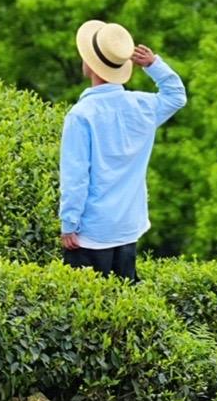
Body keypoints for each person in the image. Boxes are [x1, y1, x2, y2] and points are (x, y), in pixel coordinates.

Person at [59, 18, 186, 281]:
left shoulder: (81, 115)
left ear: (90, 65)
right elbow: (176, 96)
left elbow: (76, 177)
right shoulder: (142, 106)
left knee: (87, 312)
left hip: (92, 233)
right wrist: (153, 65)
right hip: (129, 226)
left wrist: (69, 225)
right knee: (124, 309)